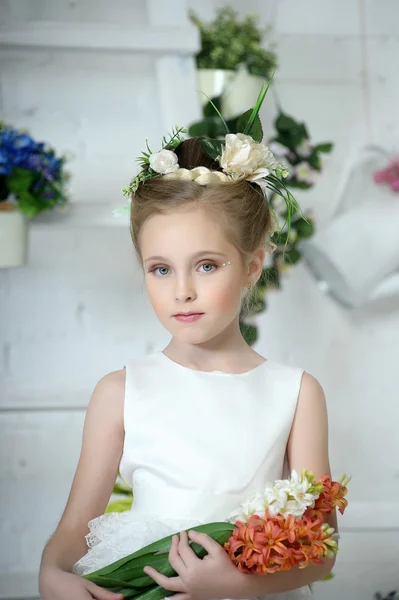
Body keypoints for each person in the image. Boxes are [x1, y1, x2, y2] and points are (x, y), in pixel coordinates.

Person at [38, 92, 337, 600]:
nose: (182, 290)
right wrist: (53, 579)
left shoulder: (296, 393)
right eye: (160, 269)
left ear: (251, 266)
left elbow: (322, 550)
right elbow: (72, 535)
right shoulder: (119, 391)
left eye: (206, 265)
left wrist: (235, 586)